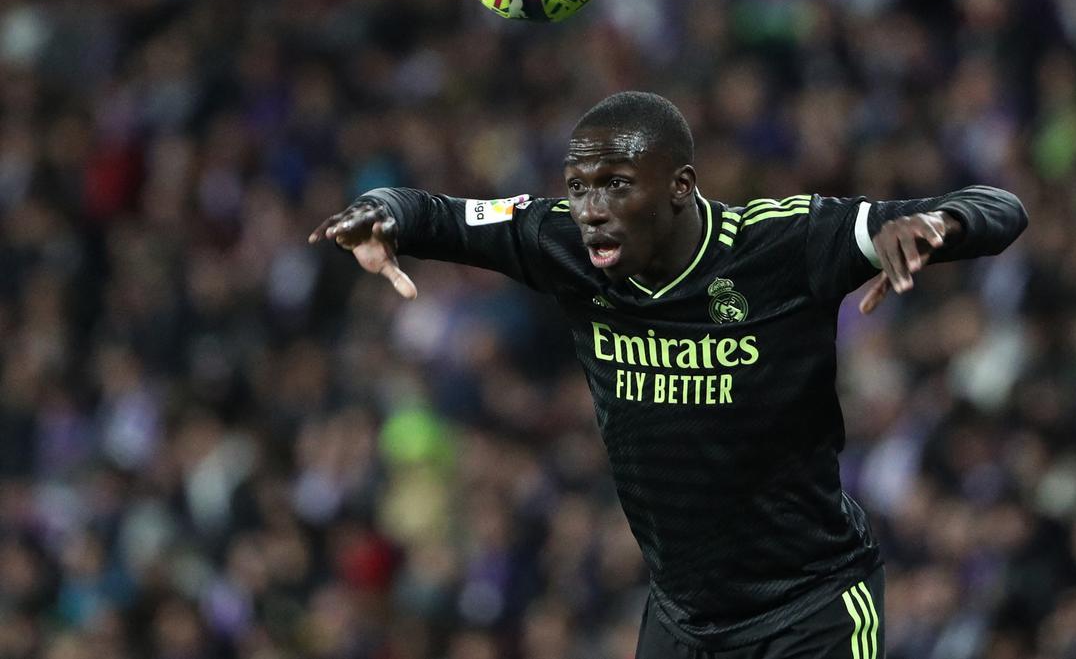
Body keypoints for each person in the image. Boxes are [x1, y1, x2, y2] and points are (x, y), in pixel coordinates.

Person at [308, 91, 1028, 659]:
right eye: (578, 187)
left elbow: (1002, 207)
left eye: (616, 185)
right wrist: (381, 213)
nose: (591, 211)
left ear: (681, 185)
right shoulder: (564, 244)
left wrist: (942, 225)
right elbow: (439, 213)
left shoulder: (783, 243)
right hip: (682, 619)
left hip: (809, 609)